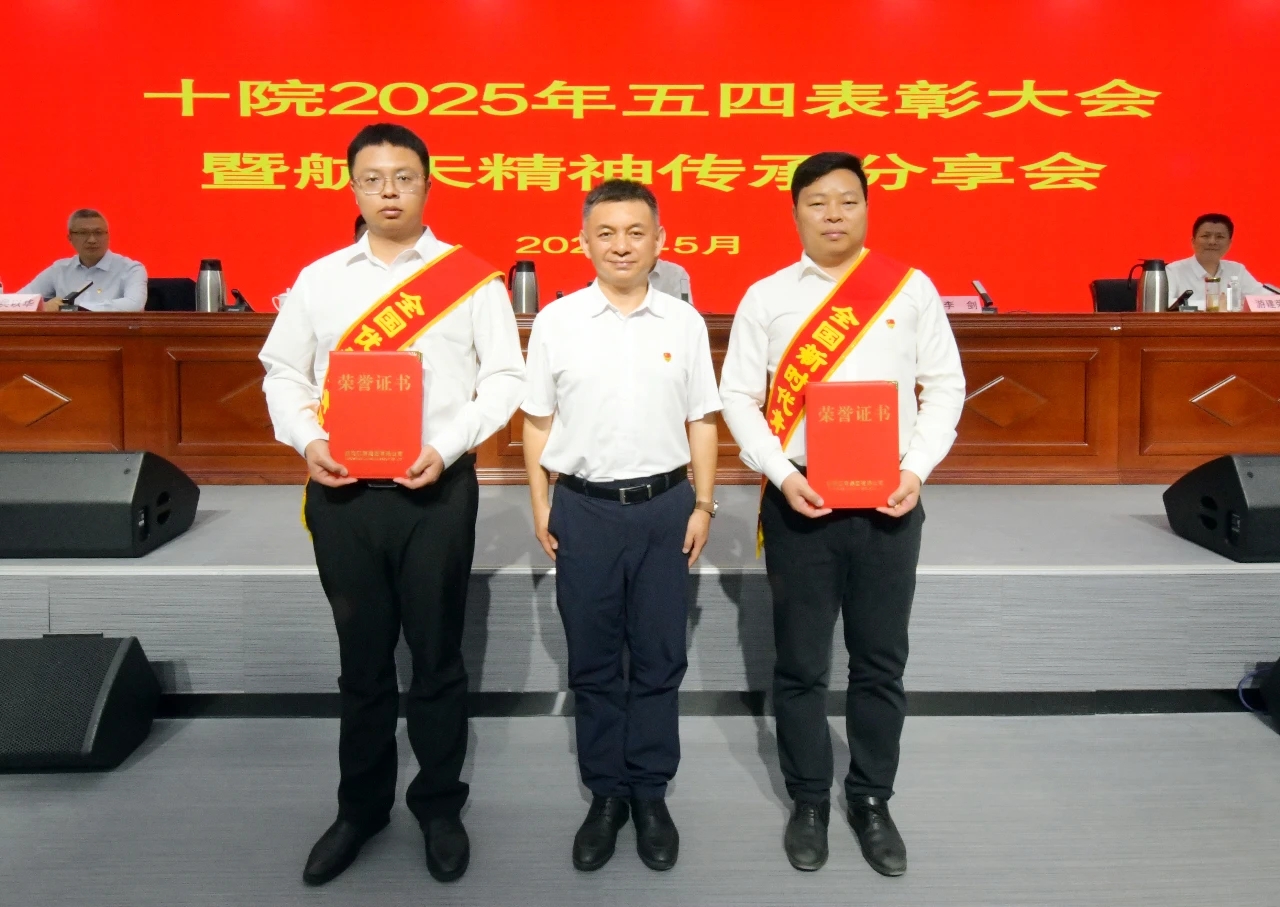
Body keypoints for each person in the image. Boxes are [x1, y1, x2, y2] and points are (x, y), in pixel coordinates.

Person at [259, 123, 525, 887]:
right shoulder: (319, 280)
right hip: (343, 494)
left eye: (403, 178)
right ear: (352, 187)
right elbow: (283, 371)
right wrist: (307, 437)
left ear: (427, 185)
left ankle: (439, 805)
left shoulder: (469, 279)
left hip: (435, 490)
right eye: (373, 179)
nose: (389, 192)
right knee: (363, 661)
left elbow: (505, 378)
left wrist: (447, 443)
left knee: (437, 657)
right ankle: (361, 808)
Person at [719, 152, 964, 877]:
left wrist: (916, 470)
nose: (833, 214)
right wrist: (780, 472)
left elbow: (945, 386)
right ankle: (808, 800)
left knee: (880, 662)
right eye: (818, 201)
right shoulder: (766, 296)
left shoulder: (910, 289)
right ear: (796, 211)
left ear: (866, 207)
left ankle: (870, 798)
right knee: (800, 663)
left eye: (847, 200)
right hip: (802, 501)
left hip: (890, 502)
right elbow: (739, 396)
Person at [520, 179, 721, 874]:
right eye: (606, 233)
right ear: (584, 242)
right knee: (595, 659)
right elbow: (537, 421)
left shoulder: (684, 323)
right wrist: (540, 503)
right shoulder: (558, 322)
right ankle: (606, 792)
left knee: (660, 656)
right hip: (584, 509)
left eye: (636, 232)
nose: (622, 245)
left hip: (666, 508)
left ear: (660, 241)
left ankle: (651, 791)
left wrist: (703, 504)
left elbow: (702, 420)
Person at [20, 209, 147, 311]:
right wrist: (42, 306)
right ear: (70, 238)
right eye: (83, 233)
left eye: (98, 232)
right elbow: (18, 301)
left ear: (108, 236)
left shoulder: (131, 269)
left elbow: (134, 305)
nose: (92, 240)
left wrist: (74, 309)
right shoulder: (59, 270)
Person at [1166, 214, 1267, 308]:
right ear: (1193, 241)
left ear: (1229, 243)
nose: (1212, 242)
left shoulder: (1237, 270)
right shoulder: (1173, 271)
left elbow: (1264, 298)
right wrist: (1213, 305)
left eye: (1220, 237)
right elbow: (1164, 302)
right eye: (1205, 236)